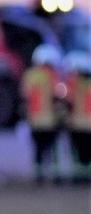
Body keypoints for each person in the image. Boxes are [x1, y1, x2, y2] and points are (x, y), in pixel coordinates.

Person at [20, 44, 66, 184]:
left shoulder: (29, 75)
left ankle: (38, 178)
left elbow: (24, 96)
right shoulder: (54, 76)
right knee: (52, 150)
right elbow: (60, 96)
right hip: (51, 120)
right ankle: (56, 178)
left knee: (38, 151)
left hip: (34, 120)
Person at [63, 50, 91, 184]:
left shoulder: (72, 84)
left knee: (78, 154)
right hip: (87, 124)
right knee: (87, 155)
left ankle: (79, 178)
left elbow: (66, 101)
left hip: (76, 124)